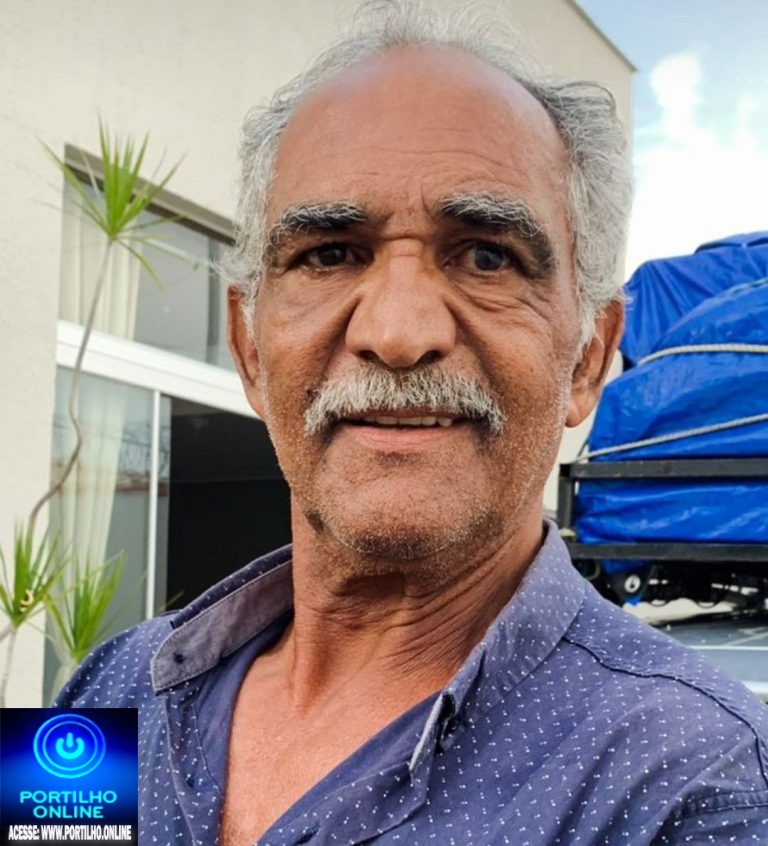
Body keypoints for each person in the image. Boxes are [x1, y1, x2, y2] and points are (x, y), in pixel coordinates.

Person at [57, 3, 768, 844]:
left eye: (487, 256)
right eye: (329, 254)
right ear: (249, 350)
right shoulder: (109, 692)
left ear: (586, 360)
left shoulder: (700, 787)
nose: (396, 333)